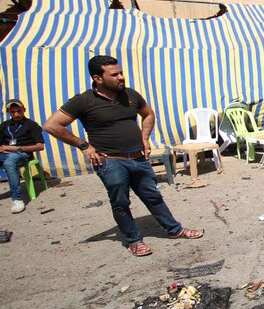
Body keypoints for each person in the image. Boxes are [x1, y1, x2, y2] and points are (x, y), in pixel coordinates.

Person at [44, 55, 203, 256]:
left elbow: (148, 114)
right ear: (98, 78)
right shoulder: (83, 100)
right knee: (121, 202)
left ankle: (175, 230)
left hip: (138, 157)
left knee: (153, 196)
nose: (121, 77)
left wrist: (145, 138)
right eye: (115, 74)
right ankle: (134, 240)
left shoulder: (129, 95)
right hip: (110, 161)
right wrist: (84, 146)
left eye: (121, 72)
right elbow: (51, 125)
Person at [0, 99, 45, 213]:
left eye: (19, 111)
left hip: (22, 153)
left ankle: (17, 199)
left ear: (24, 110)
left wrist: (16, 148)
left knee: (9, 162)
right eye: (13, 112)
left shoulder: (31, 125)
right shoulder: (4, 126)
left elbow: (40, 146)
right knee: (8, 160)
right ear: (8, 112)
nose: (16, 114)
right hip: (4, 153)